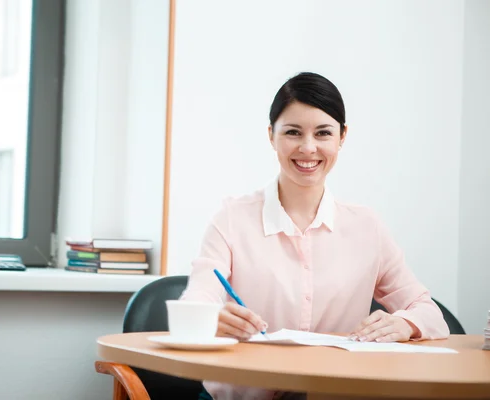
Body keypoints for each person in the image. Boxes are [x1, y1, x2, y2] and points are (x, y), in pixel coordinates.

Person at [179, 72, 449, 400]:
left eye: (323, 133)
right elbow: (197, 300)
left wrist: (405, 324)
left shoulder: (367, 227)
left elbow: (428, 311)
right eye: (293, 132)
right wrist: (210, 318)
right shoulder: (232, 219)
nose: (308, 148)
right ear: (271, 136)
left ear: (342, 136)